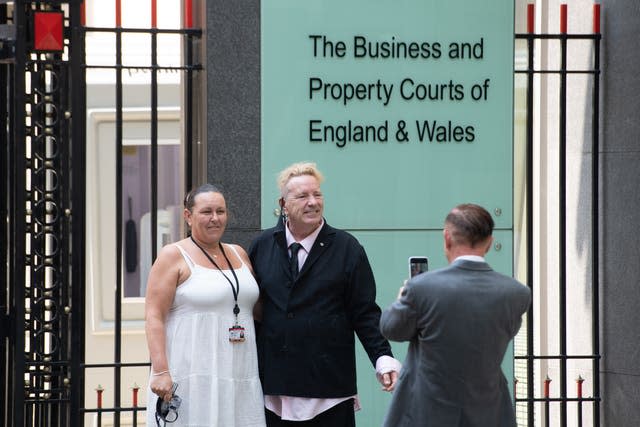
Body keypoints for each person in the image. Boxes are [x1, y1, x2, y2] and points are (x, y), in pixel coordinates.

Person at [248, 161, 401, 427]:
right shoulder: (262, 246)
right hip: (274, 387)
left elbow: (364, 311)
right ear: (283, 204)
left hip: (328, 388)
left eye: (317, 194)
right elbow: (251, 309)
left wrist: (382, 357)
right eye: (302, 196)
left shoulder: (347, 248)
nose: (312, 202)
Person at [380, 203, 532, 427]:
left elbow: (390, 328)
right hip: (488, 413)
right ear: (489, 242)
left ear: (447, 238)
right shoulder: (516, 293)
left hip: (425, 413)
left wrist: (403, 296)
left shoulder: (422, 288)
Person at [145, 184, 266, 427]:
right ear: (188, 216)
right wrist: (160, 371)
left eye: (220, 211)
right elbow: (153, 315)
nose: (215, 218)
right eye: (206, 212)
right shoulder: (173, 255)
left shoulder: (239, 253)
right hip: (193, 373)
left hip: (240, 370)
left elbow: (258, 310)